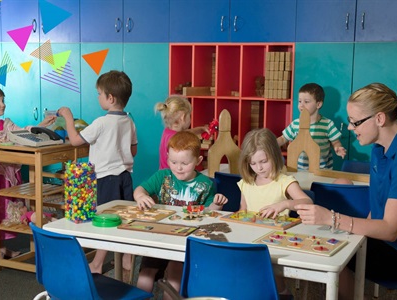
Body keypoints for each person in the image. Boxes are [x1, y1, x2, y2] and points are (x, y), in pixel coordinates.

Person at [294, 83, 397, 300]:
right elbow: (378, 209)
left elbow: (391, 230)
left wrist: (332, 218)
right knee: (331, 243)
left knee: (333, 251)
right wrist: (348, 231)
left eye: (355, 122)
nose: (351, 128)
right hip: (390, 243)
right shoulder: (379, 149)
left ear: (380, 119)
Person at [58, 70, 137, 276]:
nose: (98, 97)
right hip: (125, 176)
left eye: (99, 94)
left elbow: (75, 140)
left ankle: (98, 263)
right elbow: (133, 150)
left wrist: (68, 117)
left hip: (105, 178)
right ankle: (127, 260)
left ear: (110, 98)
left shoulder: (101, 122)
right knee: (124, 218)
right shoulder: (129, 121)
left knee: (105, 220)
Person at [134, 131, 228, 300]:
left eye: (184, 163)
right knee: (146, 275)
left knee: (175, 277)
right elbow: (139, 190)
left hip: (186, 241)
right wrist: (141, 196)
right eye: (173, 161)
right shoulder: (162, 176)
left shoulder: (206, 184)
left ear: (198, 161)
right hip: (160, 236)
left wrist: (217, 205)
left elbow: (208, 214)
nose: (178, 167)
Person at [0, 84, 56, 261]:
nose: (2, 104)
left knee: (5, 210)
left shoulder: (7, 125)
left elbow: (23, 134)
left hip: (7, 177)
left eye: (3, 100)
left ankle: (1, 247)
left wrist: (40, 125)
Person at [237, 128, 313, 298]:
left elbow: (308, 202)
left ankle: (284, 295)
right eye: (253, 163)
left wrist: (285, 203)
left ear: (274, 155)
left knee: (276, 283)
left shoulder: (284, 181)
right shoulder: (246, 182)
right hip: (250, 240)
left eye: (263, 161)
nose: (259, 168)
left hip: (274, 242)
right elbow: (243, 210)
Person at [277, 83, 346, 170]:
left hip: (322, 171)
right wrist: (271, 144)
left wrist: (338, 147)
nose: (301, 105)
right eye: (299, 101)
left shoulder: (327, 124)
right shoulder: (295, 124)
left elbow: (335, 142)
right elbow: (283, 139)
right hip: (299, 170)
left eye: (306, 102)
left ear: (318, 104)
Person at [155, 95, 208, 169]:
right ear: (183, 117)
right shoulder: (178, 140)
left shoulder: (167, 131)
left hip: (164, 175)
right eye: (190, 115)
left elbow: (186, 133)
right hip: (173, 177)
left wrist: (200, 129)